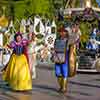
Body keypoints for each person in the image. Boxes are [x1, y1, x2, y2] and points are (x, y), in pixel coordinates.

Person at [53, 29, 69, 93]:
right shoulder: (56, 40)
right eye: (61, 32)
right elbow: (54, 48)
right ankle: (61, 86)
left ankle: (64, 88)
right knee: (57, 73)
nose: (62, 33)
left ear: (65, 33)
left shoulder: (67, 40)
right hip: (57, 58)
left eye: (63, 32)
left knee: (64, 73)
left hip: (64, 57)